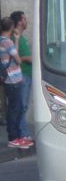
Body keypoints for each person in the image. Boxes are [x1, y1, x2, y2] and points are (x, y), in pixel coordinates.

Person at [0, 17, 32, 149]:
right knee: (15, 109)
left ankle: (16, 136)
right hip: (14, 79)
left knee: (14, 108)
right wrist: (17, 40)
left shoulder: (1, 41)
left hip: (8, 79)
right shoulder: (8, 42)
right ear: (12, 28)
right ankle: (14, 138)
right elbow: (18, 60)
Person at [11, 11, 32, 140]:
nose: (26, 21)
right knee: (21, 105)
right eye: (24, 18)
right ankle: (22, 134)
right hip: (22, 75)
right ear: (19, 22)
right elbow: (15, 55)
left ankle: (23, 132)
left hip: (28, 75)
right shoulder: (15, 37)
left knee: (24, 105)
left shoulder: (22, 37)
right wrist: (26, 58)